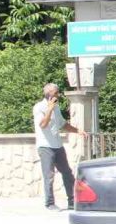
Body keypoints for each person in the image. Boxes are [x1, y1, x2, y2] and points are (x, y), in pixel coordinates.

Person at [33, 83, 87, 211]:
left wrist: (78, 130)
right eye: (56, 93)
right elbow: (43, 125)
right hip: (45, 146)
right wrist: (49, 109)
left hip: (57, 145)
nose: (58, 95)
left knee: (67, 173)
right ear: (49, 94)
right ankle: (49, 203)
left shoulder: (56, 108)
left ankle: (72, 201)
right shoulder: (39, 107)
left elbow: (62, 124)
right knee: (49, 175)